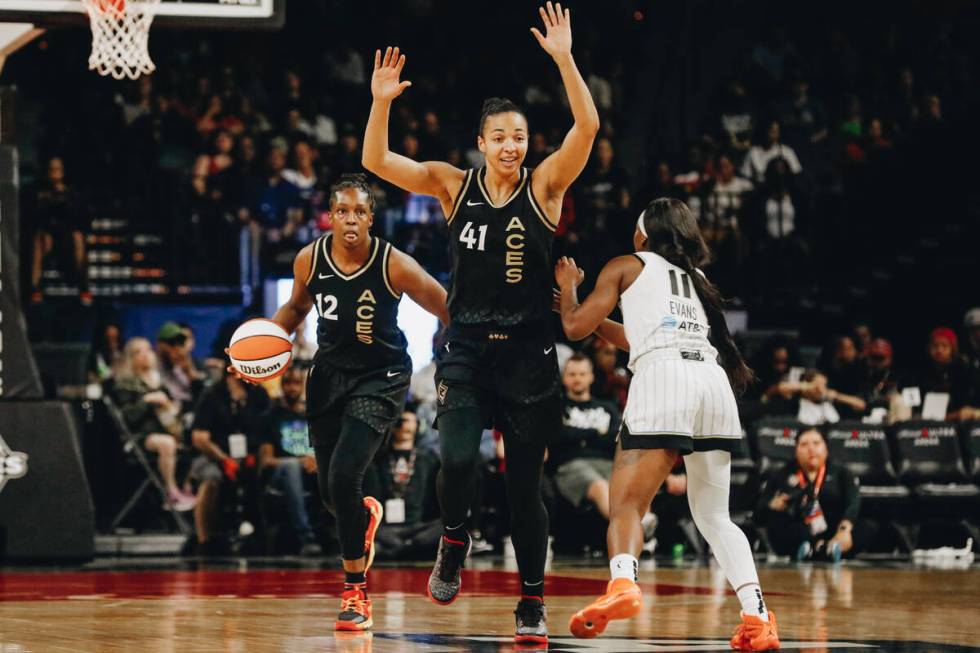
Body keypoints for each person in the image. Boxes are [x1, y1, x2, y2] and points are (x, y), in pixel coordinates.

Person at [361, 3, 599, 644]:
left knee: (527, 489)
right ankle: (455, 537)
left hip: (528, 354)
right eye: (500, 137)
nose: (511, 146)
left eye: (519, 137)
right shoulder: (450, 184)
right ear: (482, 143)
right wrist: (382, 100)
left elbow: (588, 125)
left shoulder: (546, 186)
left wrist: (563, 59)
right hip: (466, 345)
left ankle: (530, 600)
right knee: (458, 460)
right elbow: (379, 161)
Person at [555, 198, 779, 649]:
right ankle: (757, 617)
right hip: (712, 384)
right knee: (715, 516)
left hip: (663, 380)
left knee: (626, 506)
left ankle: (622, 584)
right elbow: (634, 336)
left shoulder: (627, 264)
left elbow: (575, 326)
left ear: (643, 234)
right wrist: (601, 321)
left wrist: (570, 292)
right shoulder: (697, 280)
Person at [258, 174, 448, 631]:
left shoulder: (393, 263)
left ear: (370, 218)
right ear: (330, 215)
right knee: (331, 493)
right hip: (327, 376)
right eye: (341, 210)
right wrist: (260, 343)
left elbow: (446, 306)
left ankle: (355, 591)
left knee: (345, 475)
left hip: (381, 376)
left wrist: (475, 350)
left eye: (359, 212)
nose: (350, 219)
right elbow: (295, 310)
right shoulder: (310, 258)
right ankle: (364, 516)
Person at [190, 360, 271, 554]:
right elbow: (199, 437)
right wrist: (223, 459)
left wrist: (256, 455)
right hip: (213, 455)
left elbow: (265, 430)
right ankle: (204, 540)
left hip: (250, 454)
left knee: (261, 474)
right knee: (212, 478)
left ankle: (261, 536)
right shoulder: (212, 395)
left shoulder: (258, 394)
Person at [111, 338, 196, 512]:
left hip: (167, 428)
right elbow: (127, 418)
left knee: (196, 436)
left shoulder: (160, 382)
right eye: (139, 352)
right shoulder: (125, 385)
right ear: (131, 358)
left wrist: (169, 405)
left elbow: (174, 412)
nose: (146, 355)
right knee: (167, 443)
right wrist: (146, 401)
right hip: (141, 436)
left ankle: (188, 487)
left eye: (148, 350)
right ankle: (171, 491)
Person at [755, 427, 865, 562]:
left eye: (816, 443)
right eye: (804, 444)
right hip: (799, 533)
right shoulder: (781, 474)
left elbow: (853, 501)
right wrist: (772, 504)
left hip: (834, 529)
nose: (811, 449)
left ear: (826, 448)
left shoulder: (842, 472)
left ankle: (831, 548)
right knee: (776, 521)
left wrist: (844, 529)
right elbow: (759, 509)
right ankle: (815, 548)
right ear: (796, 450)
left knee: (866, 525)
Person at [258, 365, 321, 555]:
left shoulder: (315, 416)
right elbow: (266, 461)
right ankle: (306, 536)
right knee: (291, 466)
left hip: (313, 473)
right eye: (287, 383)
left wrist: (318, 461)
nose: (292, 388)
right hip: (280, 475)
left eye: (296, 383)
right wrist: (301, 460)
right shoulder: (270, 417)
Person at [28, 157, 92, 305]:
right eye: (51, 170)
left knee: (78, 238)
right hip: (48, 236)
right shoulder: (39, 194)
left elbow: (80, 217)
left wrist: (62, 199)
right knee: (40, 240)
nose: (54, 173)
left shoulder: (71, 193)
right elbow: (36, 217)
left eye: (57, 170)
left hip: (68, 238)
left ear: (62, 172)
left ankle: (84, 287)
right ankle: (35, 287)